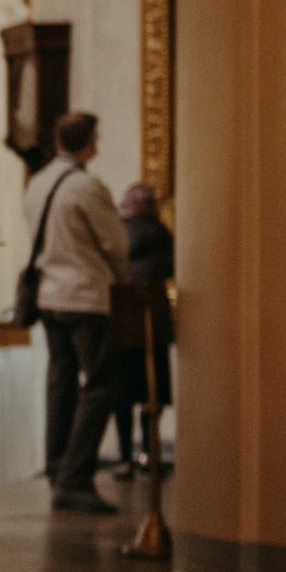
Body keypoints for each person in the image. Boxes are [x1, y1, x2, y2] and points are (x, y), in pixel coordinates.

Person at [24, 111, 128, 514]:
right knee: (101, 383)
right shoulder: (85, 186)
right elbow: (116, 242)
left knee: (61, 382)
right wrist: (121, 271)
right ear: (90, 143)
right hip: (84, 296)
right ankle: (76, 476)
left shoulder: (38, 183)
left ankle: (55, 467)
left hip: (49, 295)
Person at [113, 182, 175, 478]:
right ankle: (147, 453)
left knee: (125, 393)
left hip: (126, 317)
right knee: (153, 391)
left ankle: (126, 456)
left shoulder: (122, 232)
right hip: (154, 316)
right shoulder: (162, 233)